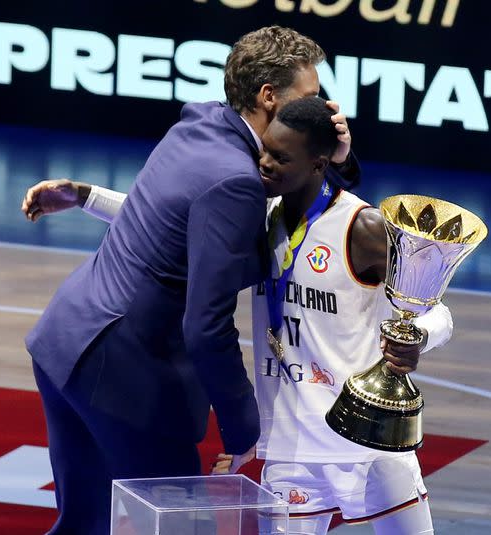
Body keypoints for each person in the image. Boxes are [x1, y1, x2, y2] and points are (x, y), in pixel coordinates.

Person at [27, 97, 451, 534]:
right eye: (264, 150)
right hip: (290, 448)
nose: (264, 163)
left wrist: (417, 335)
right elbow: (161, 216)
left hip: (368, 442)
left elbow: (436, 311)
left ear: (319, 164)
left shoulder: (361, 228)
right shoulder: (256, 214)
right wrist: (85, 196)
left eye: (281, 158)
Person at [24, 26, 363, 535]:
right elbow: (205, 325)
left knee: (84, 525)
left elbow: (164, 224)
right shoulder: (237, 180)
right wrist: (243, 426)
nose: (325, 110)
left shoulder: (200, 124)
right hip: (124, 377)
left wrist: (337, 159)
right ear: (269, 98)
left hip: (65, 342)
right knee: (182, 529)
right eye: (311, 97)